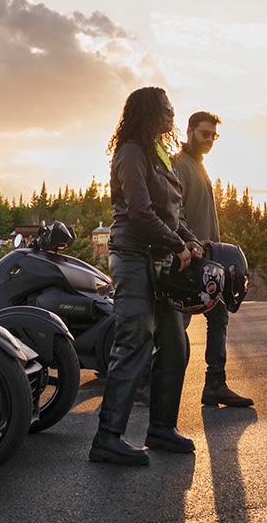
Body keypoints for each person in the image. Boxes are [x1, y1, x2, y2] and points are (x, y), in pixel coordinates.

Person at [91, 86, 206, 466]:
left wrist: (190, 241)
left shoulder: (163, 156)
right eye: (165, 109)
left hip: (163, 261)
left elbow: (176, 212)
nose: (172, 115)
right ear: (147, 112)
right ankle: (108, 438)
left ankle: (161, 429)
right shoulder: (131, 152)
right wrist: (177, 245)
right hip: (133, 256)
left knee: (175, 345)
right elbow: (139, 211)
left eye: (173, 108)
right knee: (135, 340)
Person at [173, 110, 254, 408]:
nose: (209, 140)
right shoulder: (179, 165)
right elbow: (174, 210)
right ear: (190, 130)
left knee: (218, 316)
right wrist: (188, 243)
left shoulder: (199, 166)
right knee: (176, 322)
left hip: (210, 260)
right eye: (204, 134)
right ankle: (148, 382)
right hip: (187, 259)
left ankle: (215, 384)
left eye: (213, 136)